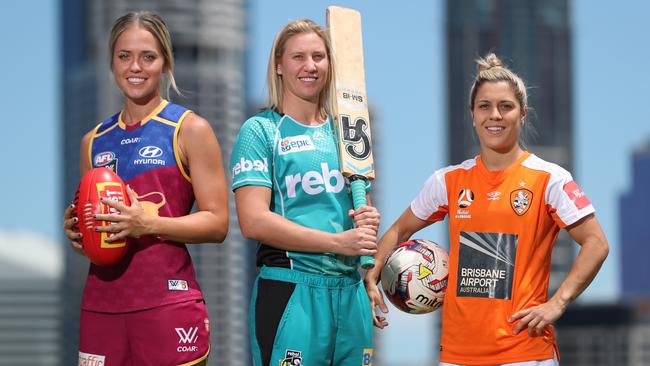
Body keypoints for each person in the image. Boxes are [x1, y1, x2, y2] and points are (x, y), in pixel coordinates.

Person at [364, 53, 609, 365]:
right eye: (485, 106)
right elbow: (400, 230)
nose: (495, 115)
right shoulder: (448, 180)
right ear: (472, 114)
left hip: (525, 353)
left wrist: (558, 303)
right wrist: (373, 272)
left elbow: (597, 243)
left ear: (522, 114)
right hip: (457, 355)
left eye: (505, 106)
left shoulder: (550, 179)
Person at [62, 11, 229, 366]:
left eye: (147, 56)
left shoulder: (190, 129)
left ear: (165, 62)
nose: (135, 67)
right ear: (112, 62)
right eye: (124, 56)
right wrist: (80, 234)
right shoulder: (92, 141)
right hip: (101, 307)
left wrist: (148, 223)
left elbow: (217, 224)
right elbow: (102, 242)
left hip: (168, 303)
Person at [230, 19, 380, 366]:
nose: (310, 66)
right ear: (279, 65)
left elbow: (358, 214)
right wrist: (337, 243)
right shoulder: (261, 131)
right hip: (292, 291)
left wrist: (368, 224)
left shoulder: (348, 129)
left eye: (318, 56)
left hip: (350, 294)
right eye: (299, 57)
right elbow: (253, 221)